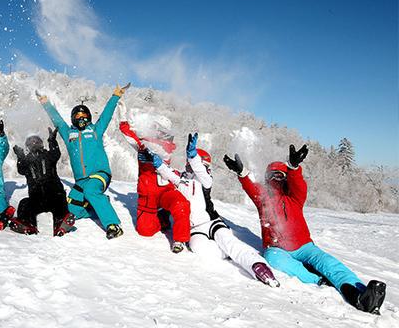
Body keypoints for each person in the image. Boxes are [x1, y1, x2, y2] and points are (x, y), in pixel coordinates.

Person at [224, 144, 386, 313]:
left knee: (328, 263)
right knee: (273, 259)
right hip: (277, 249)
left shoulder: (295, 197)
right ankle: (318, 280)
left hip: (304, 247)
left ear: (286, 179)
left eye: (281, 176)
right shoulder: (263, 200)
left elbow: (299, 185)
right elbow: (251, 188)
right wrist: (242, 173)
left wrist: (293, 168)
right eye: (273, 176)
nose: (277, 179)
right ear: (267, 178)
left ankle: (360, 294)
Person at [153, 133, 279, 286]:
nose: (194, 169)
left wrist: (193, 157)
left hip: (212, 222)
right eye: (190, 165)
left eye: (201, 167)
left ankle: (257, 265)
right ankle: (228, 253)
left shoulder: (205, 181)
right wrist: (158, 164)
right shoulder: (182, 182)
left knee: (228, 242)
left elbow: (200, 172)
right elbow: (170, 175)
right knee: (198, 249)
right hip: (195, 228)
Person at [37, 84, 128, 239]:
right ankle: (97, 206)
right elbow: (58, 121)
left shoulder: (95, 130)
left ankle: (112, 224)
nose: (81, 119)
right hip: (81, 181)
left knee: (91, 191)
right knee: (71, 210)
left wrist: (116, 96)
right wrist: (45, 102)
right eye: (78, 117)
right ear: (73, 119)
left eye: (84, 116)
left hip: (99, 174)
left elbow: (106, 115)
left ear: (89, 118)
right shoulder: (69, 134)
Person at [119, 120, 191, 253]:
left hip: (165, 191)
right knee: (145, 231)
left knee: (181, 204)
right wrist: (123, 121)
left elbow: (164, 153)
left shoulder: (166, 148)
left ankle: (180, 239)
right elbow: (130, 136)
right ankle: (161, 215)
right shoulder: (143, 146)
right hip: (148, 195)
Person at [10, 127, 76, 236]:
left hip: (53, 195)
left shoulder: (47, 155)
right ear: (28, 146)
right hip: (36, 198)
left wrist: (52, 141)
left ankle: (60, 222)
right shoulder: (27, 160)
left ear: (41, 144)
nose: (34, 143)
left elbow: (56, 154)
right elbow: (21, 169)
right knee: (24, 203)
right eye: (31, 142)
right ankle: (27, 224)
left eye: (36, 141)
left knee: (60, 199)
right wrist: (20, 156)